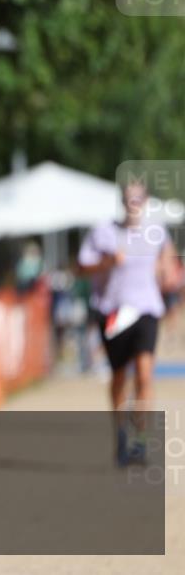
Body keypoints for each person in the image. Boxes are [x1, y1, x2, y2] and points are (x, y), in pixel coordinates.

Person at [77, 181, 178, 466]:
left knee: (145, 375)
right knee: (119, 377)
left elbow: (167, 263)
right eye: (128, 199)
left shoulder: (156, 231)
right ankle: (120, 433)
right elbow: (81, 267)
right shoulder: (104, 232)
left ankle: (141, 438)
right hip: (113, 312)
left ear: (145, 202)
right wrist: (107, 262)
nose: (133, 204)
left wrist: (166, 273)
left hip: (146, 310)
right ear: (122, 202)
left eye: (138, 199)